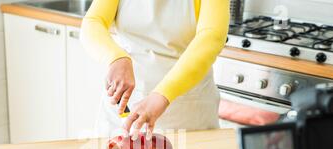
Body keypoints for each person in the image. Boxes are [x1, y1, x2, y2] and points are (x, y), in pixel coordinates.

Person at [81, 0, 230, 139]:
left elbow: (212, 36)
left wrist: (163, 94)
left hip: (187, 111)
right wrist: (116, 58)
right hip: (124, 107)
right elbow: (94, 21)